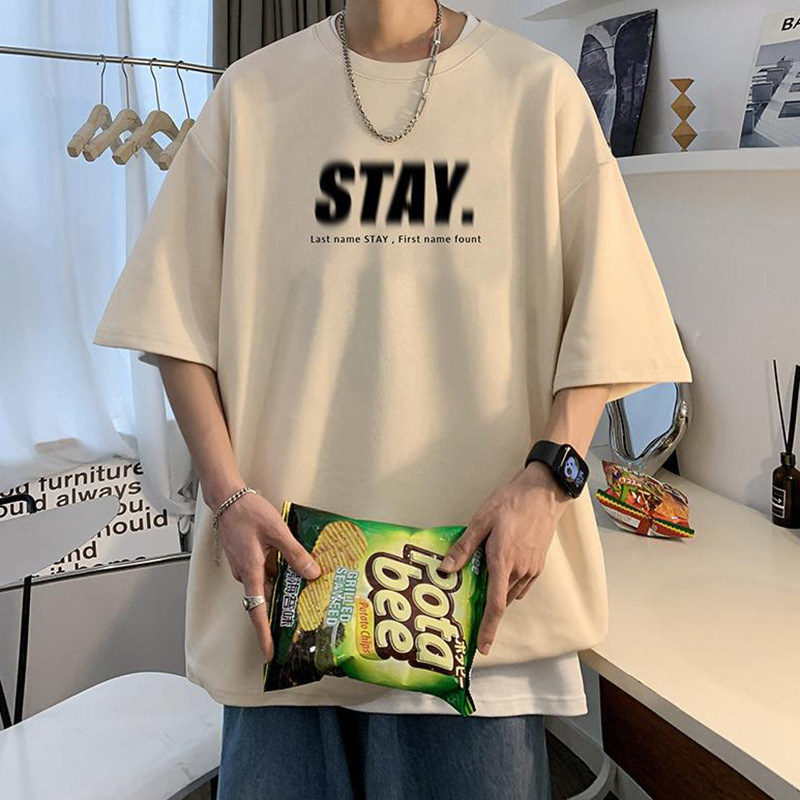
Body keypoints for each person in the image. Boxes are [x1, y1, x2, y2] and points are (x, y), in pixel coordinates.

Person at [93, 2, 692, 798]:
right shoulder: (252, 96)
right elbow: (171, 318)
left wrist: (548, 480)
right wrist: (226, 493)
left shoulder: (536, 93)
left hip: (474, 625)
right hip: (286, 600)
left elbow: (613, 315)